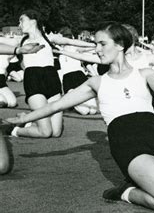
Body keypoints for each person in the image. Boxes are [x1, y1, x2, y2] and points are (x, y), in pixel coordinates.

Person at [5, 23, 154, 212]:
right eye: (96, 44)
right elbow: (57, 105)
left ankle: (144, 183)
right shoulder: (96, 82)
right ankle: (126, 192)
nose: (97, 49)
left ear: (120, 45)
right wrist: (25, 117)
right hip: (127, 141)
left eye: (102, 44)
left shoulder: (145, 73)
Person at [6, 10, 95, 138]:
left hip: (52, 80)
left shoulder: (49, 38)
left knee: (56, 132)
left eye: (21, 20)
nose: (19, 24)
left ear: (33, 20)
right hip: (34, 81)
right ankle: (15, 130)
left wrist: (96, 45)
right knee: (45, 132)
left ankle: (27, 118)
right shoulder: (20, 41)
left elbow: (72, 42)